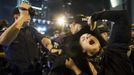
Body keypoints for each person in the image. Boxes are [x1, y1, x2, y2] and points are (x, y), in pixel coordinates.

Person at [64, 10, 134, 75]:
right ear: (83, 49)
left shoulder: (115, 50)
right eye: (83, 39)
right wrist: (75, 69)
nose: (88, 37)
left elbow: (122, 16)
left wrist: (95, 17)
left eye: (89, 35)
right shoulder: (83, 66)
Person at [0, 2, 60, 75]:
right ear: (16, 17)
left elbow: (43, 38)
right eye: (27, 15)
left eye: (29, 16)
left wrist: (51, 48)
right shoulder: (8, 30)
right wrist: (22, 18)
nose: (29, 18)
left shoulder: (31, 30)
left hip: (35, 71)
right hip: (16, 72)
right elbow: (3, 41)